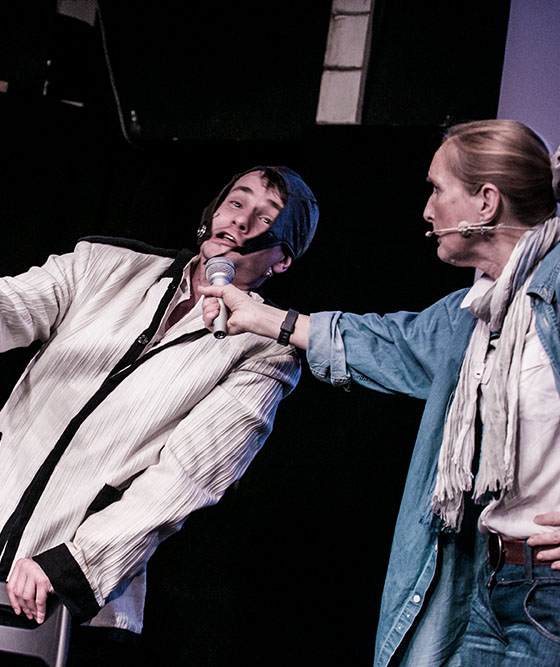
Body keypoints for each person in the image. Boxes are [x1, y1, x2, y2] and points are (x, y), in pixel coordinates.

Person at [0, 165, 318, 662]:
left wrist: (74, 566)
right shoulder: (107, 264)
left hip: (65, 604)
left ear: (282, 259)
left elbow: (185, 480)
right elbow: (17, 301)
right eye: (236, 203)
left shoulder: (264, 352)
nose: (241, 221)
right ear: (212, 213)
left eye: (265, 218)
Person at [200, 120, 560, 666]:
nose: (427, 210)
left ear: (485, 203)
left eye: (438, 189)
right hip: (486, 579)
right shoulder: (477, 314)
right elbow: (389, 343)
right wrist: (263, 317)